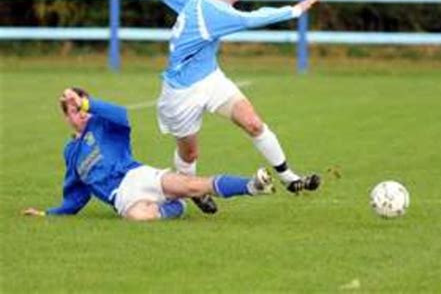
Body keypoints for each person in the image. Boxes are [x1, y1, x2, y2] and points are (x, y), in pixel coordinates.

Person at [156, 0, 321, 214]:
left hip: (211, 78)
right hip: (180, 94)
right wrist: (295, 10)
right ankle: (192, 189)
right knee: (189, 155)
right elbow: (251, 20)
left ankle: (289, 178)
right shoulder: (214, 11)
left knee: (253, 122)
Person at [22, 88, 275, 222]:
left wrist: (87, 103)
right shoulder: (71, 153)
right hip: (122, 199)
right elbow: (75, 198)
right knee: (138, 217)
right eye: (74, 111)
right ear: (66, 117)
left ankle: (252, 185)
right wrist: (48, 215)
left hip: (138, 175)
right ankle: (174, 207)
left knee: (193, 184)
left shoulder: (103, 123)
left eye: (82, 107)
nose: (81, 113)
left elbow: (122, 114)